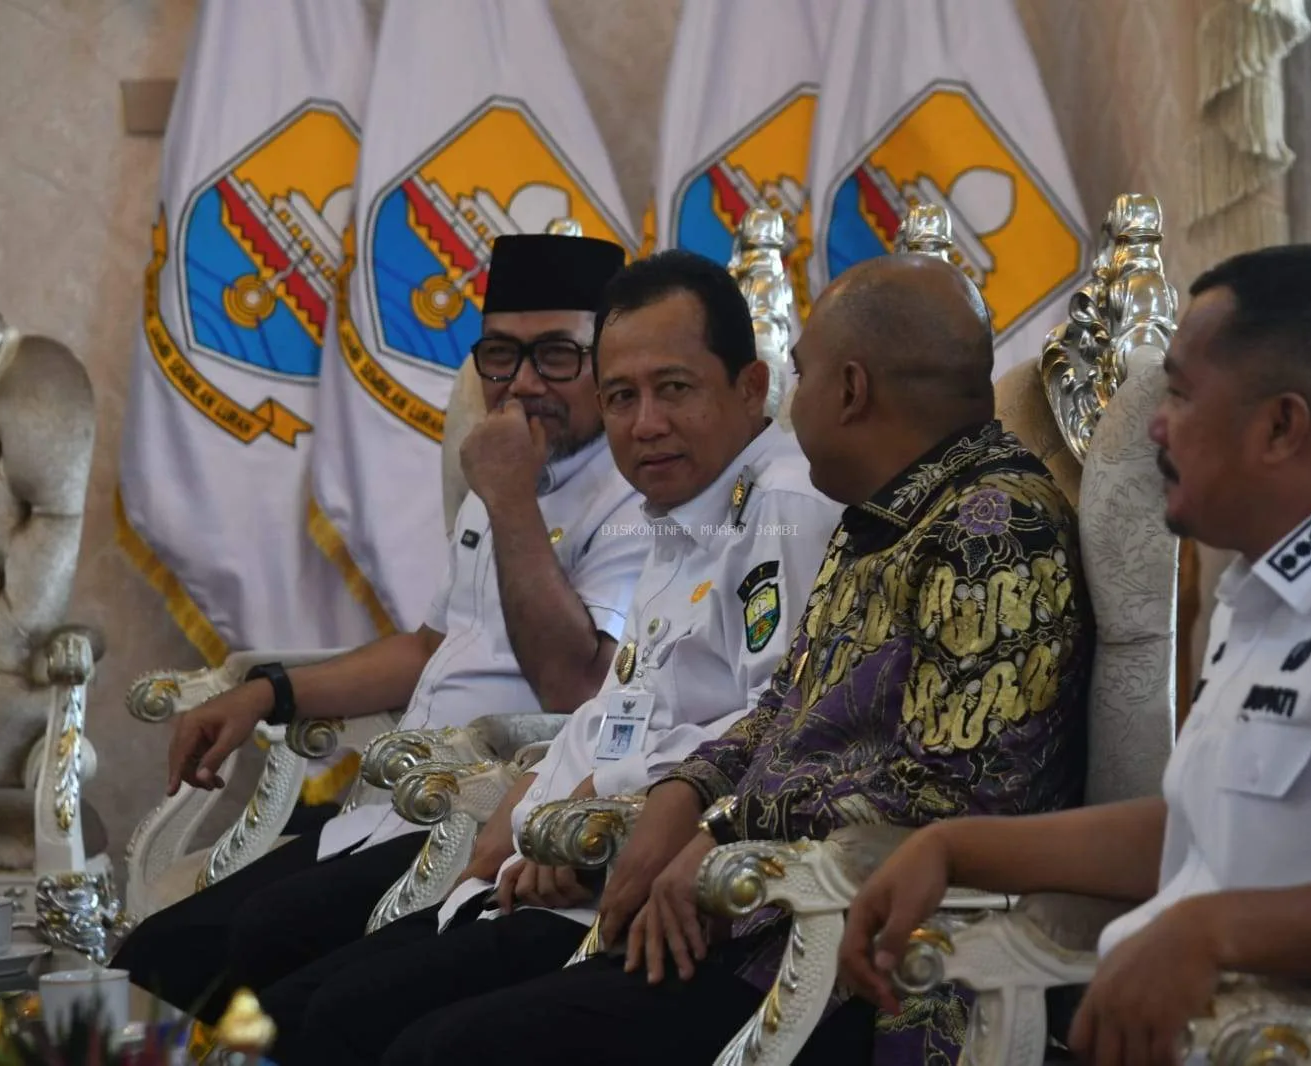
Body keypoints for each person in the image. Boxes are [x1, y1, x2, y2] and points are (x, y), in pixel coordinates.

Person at [375, 252, 1095, 1066]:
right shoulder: (889, 517)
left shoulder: (989, 528)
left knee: (441, 1048)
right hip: (755, 924)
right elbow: (782, 712)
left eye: (801, 376)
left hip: (869, 971)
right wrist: (687, 799)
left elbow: (944, 798)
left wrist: (719, 839)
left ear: (849, 390)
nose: (790, 405)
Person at [838, 245, 1311, 1066]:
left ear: (1280, 425)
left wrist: (1209, 931)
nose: (1155, 421)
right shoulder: (1270, 585)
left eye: (1182, 394)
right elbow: (1196, 835)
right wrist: (950, 847)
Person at [253, 249, 843, 1066]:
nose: (644, 425)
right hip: (556, 871)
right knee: (290, 1010)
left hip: (670, 894)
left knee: (370, 1029)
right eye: (620, 397)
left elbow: (779, 718)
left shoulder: (779, 504)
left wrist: (579, 819)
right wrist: (533, 807)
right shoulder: (680, 506)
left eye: (673, 389)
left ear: (749, 388)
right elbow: (620, 705)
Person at [112, 232, 649, 1019]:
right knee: (159, 952)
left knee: (261, 947)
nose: (522, 383)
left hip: (487, 809)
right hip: (392, 800)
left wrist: (508, 497)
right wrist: (266, 694)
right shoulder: (505, 464)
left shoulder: (633, 497)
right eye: (500, 355)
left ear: (609, 361)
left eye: (556, 357)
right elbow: (431, 647)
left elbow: (572, 684)